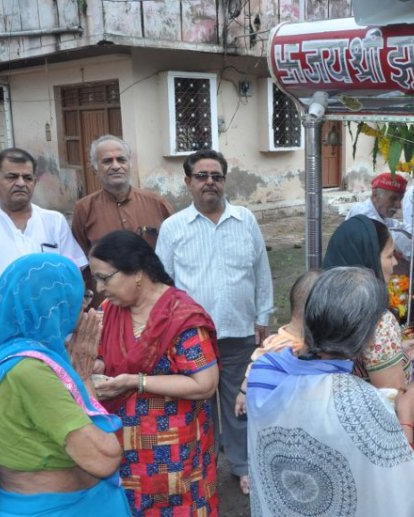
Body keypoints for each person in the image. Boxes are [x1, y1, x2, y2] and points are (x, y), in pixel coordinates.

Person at [247, 267, 414, 516]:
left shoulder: (264, 371)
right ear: (366, 341)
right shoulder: (360, 402)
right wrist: (406, 416)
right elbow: (399, 487)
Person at [0, 254, 131, 516]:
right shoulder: (29, 371)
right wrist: (84, 376)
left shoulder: (10, 355)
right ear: (54, 303)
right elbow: (103, 458)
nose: (85, 306)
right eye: (81, 296)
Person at [155, 149, 273, 495]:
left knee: (239, 402)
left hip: (240, 330)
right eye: (202, 176)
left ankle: (243, 465)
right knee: (198, 405)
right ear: (188, 181)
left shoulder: (245, 220)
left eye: (216, 176)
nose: (210, 182)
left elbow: (261, 271)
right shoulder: (173, 227)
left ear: (224, 181)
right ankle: (202, 465)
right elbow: (163, 283)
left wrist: (262, 316)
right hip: (192, 337)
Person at [90, 230, 220, 515]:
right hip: (123, 449)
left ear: (137, 272)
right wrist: (98, 365)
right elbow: (103, 355)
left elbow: (205, 383)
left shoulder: (181, 316)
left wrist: (136, 382)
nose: (99, 288)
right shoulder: (110, 309)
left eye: (104, 278)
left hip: (175, 452)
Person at [0, 148, 87, 319]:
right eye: (12, 177)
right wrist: (27, 307)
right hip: (1, 325)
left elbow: (74, 272)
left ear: (35, 181)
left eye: (27, 178)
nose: (20, 183)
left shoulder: (54, 221)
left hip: (53, 324)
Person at [323, 214, 414, 391]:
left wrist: (395, 350)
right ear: (369, 260)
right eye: (389, 256)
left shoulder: (316, 304)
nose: (395, 262)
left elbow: (357, 358)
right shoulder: (379, 321)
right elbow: (395, 397)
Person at [72, 135, 173, 308]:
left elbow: (174, 253)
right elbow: (81, 264)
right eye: (107, 161)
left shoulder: (157, 204)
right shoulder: (84, 209)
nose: (115, 166)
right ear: (95, 168)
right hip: (107, 306)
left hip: (154, 304)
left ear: (129, 164)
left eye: (121, 159)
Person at [234, 269, 321, 417]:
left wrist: (243, 392)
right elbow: (255, 366)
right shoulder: (291, 347)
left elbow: (254, 364)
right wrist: (243, 392)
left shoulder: (275, 339)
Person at [345, 171, 412, 257]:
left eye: (400, 199)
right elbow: (409, 248)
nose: (399, 205)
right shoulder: (363, 214)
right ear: (375, 195)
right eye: (393, 198)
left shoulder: (380, 213)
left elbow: (400, 227)